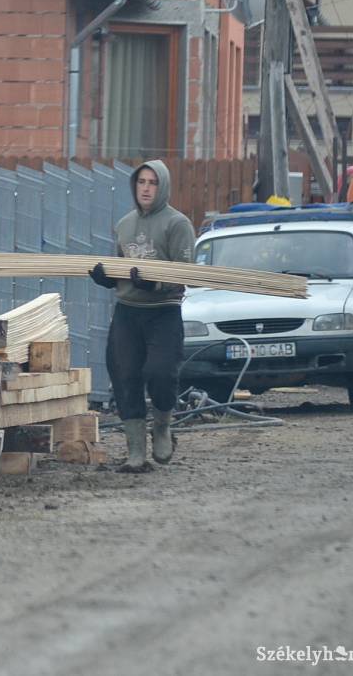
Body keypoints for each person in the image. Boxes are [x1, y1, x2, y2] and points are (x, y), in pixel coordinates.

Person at [89, 160, 195, 473]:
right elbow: (121, 268)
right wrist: (108, 278)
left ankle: (162, 426)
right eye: (141, 182)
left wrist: (155, 282)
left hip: (162, 312)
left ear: (162, 187)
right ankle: (136, 452)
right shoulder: (124, 224)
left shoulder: (177, 224)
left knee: (161, 373)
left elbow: (184, 273)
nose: (146, 188)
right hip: (128, 313)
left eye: (152, 182)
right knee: (124, 376)